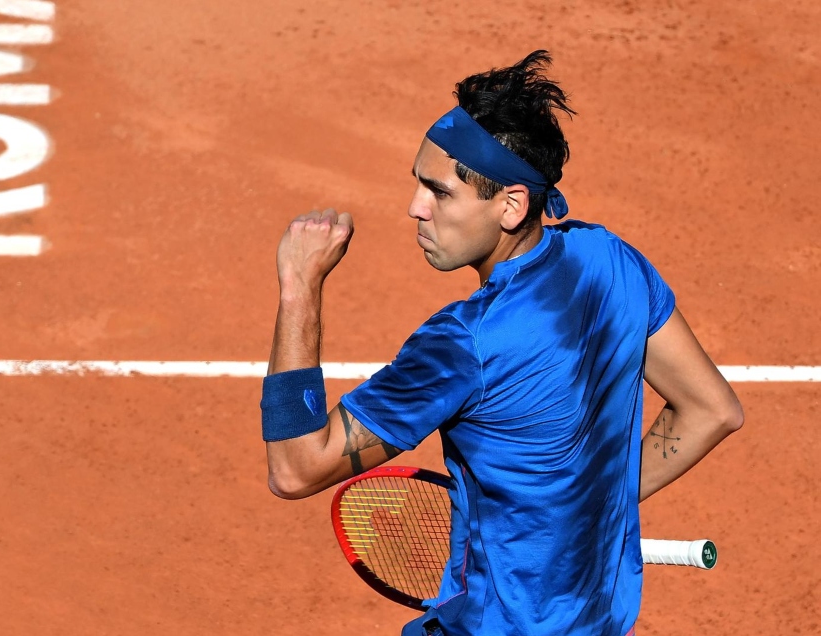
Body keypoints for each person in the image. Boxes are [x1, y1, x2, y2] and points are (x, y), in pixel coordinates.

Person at [259, 50, 744, 636]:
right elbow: (712, 409)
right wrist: (590, 512)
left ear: (511, 205)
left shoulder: (461, 344)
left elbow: (296, 469)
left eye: (439, 193)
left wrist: (300, 287)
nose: (415, 208)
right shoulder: (612, 261)